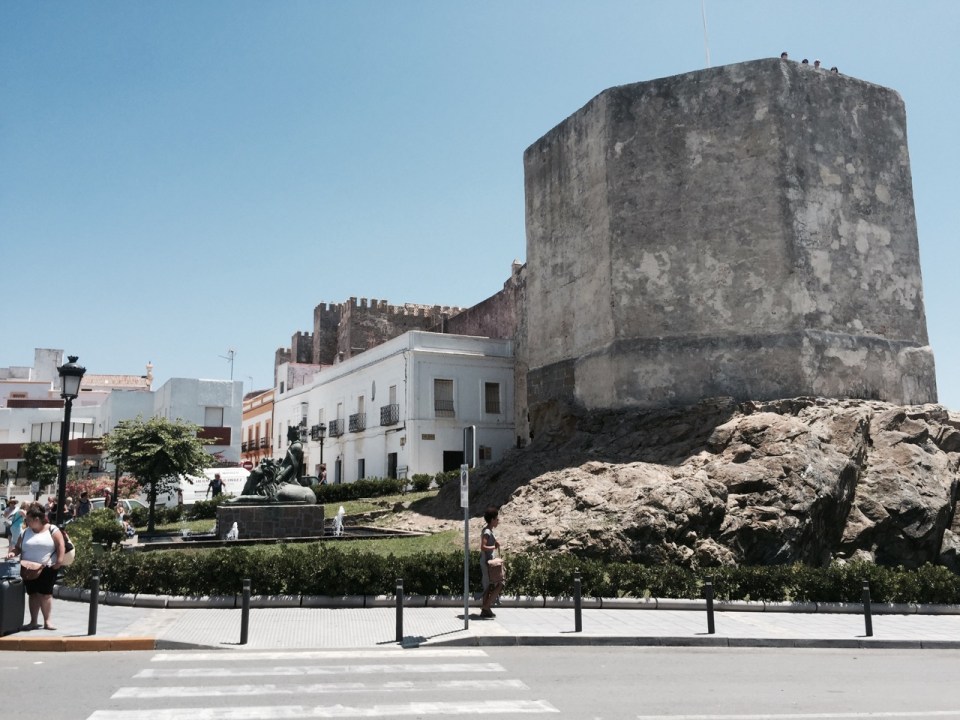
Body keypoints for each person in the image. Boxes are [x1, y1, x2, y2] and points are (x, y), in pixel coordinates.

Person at [5, 502, 65, 630]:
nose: (26, 522)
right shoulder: (26, 532)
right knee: (32, 594)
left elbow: (61, 545)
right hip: (28, 569)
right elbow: (17, 548)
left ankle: (47, 621)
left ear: (37, 519)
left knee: (45, 594)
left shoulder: (52, 530)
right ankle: (33, 621)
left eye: (28, 520)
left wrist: (58, 562)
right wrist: (12, 553)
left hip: (47, 568)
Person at [479, 505, 504, 619]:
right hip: (487, 563)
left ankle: (486, 610)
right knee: (500, 583)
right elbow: (483, 547)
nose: (498, 521)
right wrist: (493, 546)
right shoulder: (487, 532)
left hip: (489, 562)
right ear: (492, 519)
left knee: (489, 586)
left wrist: (494, 543)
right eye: (497, 519)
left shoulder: (488, 531)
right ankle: (486, 606)